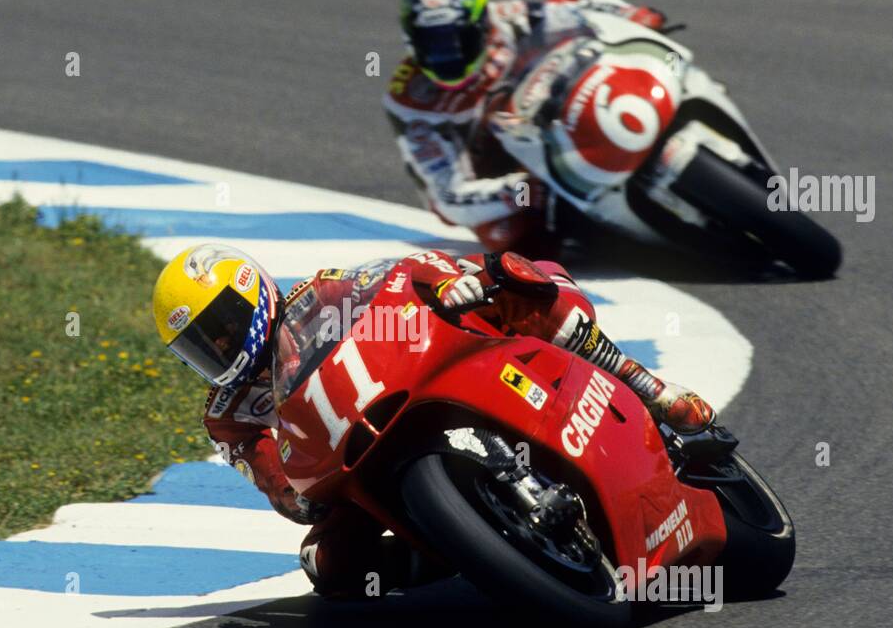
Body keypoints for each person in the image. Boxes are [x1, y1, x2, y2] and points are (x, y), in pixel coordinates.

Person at [152, 243, 712, 598]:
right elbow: (274, 481)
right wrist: (296, 498)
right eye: (201, 345)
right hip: (348, 464)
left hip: (406, 382)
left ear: (249, 290)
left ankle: (645, 385)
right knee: (326, 567)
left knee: (513, 278)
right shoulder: (226, 416)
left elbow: (401, 276)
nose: (221, 346)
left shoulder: (316, 292)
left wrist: (448, 286)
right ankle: (456, 552)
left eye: (221, 325)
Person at [385, 0, 669, 254]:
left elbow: (583, 10)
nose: (448, 56)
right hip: (497, 170)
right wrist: (518, 190)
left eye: (458, 41)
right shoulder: (412, 100)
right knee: (519, 243)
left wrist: (630, 17)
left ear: (481, 25)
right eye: (432, 45)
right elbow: (448, 196)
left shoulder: (508, 19)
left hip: (549, 109)